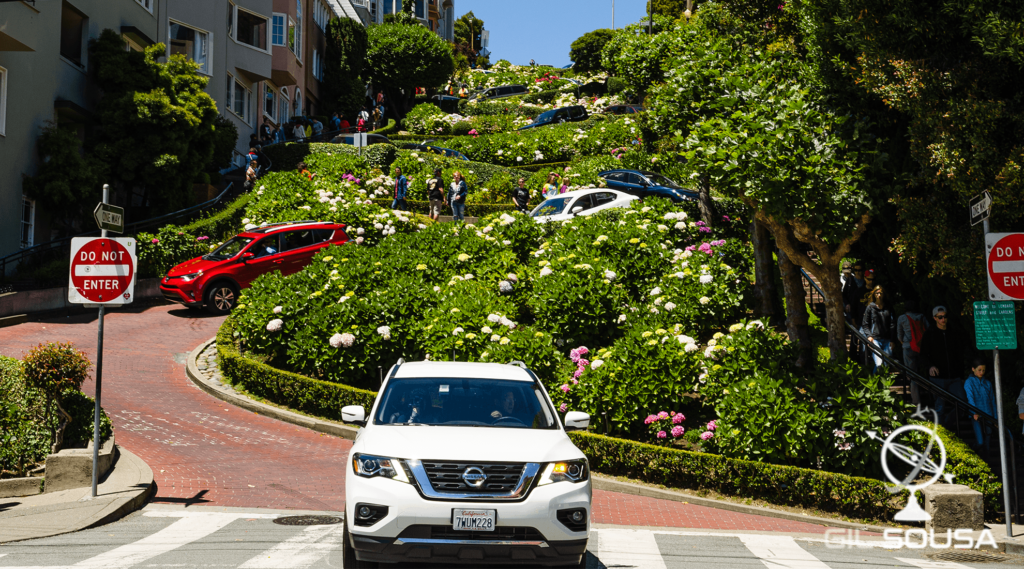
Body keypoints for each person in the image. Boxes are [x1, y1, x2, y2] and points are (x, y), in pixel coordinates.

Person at [920, 305, 968, 426]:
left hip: (954, 377)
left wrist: (961, 376)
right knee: (939, 407)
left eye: (945, 316)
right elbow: (923, 355)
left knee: (963, 404)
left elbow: (960, 355)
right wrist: (930, 366)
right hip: (938, 378)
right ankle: (942, 433)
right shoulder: (929, 334)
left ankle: (946, 425)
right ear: (935, 318)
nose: (943, 319)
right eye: (940, 317)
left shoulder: (953, 332)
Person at [897, 299, 930, 404]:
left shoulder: (902, 318)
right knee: (927, 372)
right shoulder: (921, 316)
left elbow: (899, 336)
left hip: (908, 348)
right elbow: (928, 330)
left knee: (913, 376)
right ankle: (931, 398)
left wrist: (904, 343)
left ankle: (916, 401)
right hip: (922, 348)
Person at [861, 285, 895, 373]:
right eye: (877, 293)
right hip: (875, 339)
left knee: (886, 365)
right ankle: (876, 384)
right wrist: (869, 336)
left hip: (887, 340)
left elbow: (892, 324)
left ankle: (879, 384)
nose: (879, 295)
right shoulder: (870, 307)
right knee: (879, 363)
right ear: (874, 294)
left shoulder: (889, 307)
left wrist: (892, 340)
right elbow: (865, 324)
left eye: (881, 293)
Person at [965, 358, 996, 455]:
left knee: (987, 440)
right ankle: (972, 454)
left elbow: (993, 401)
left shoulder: (987, 383)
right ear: (973, 369)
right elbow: (970, 397)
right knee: (980, 441)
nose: (981, 372)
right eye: (979, 370)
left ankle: (987, 461)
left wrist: (995, 418)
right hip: (976, 414)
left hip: (988, 414)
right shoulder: (969, 382)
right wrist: (974, 411)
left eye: (983, 370)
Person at [842, 262, 867, 356]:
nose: (857, 272)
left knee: (863, 332)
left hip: (863, 311)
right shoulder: (850, 280)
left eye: (859, 270)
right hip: (852, 310)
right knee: (854, 331)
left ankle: (862, 354)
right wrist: (847, 304)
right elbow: (844, 295)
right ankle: (853, 354)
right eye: (855, 270)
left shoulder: (866, 281)